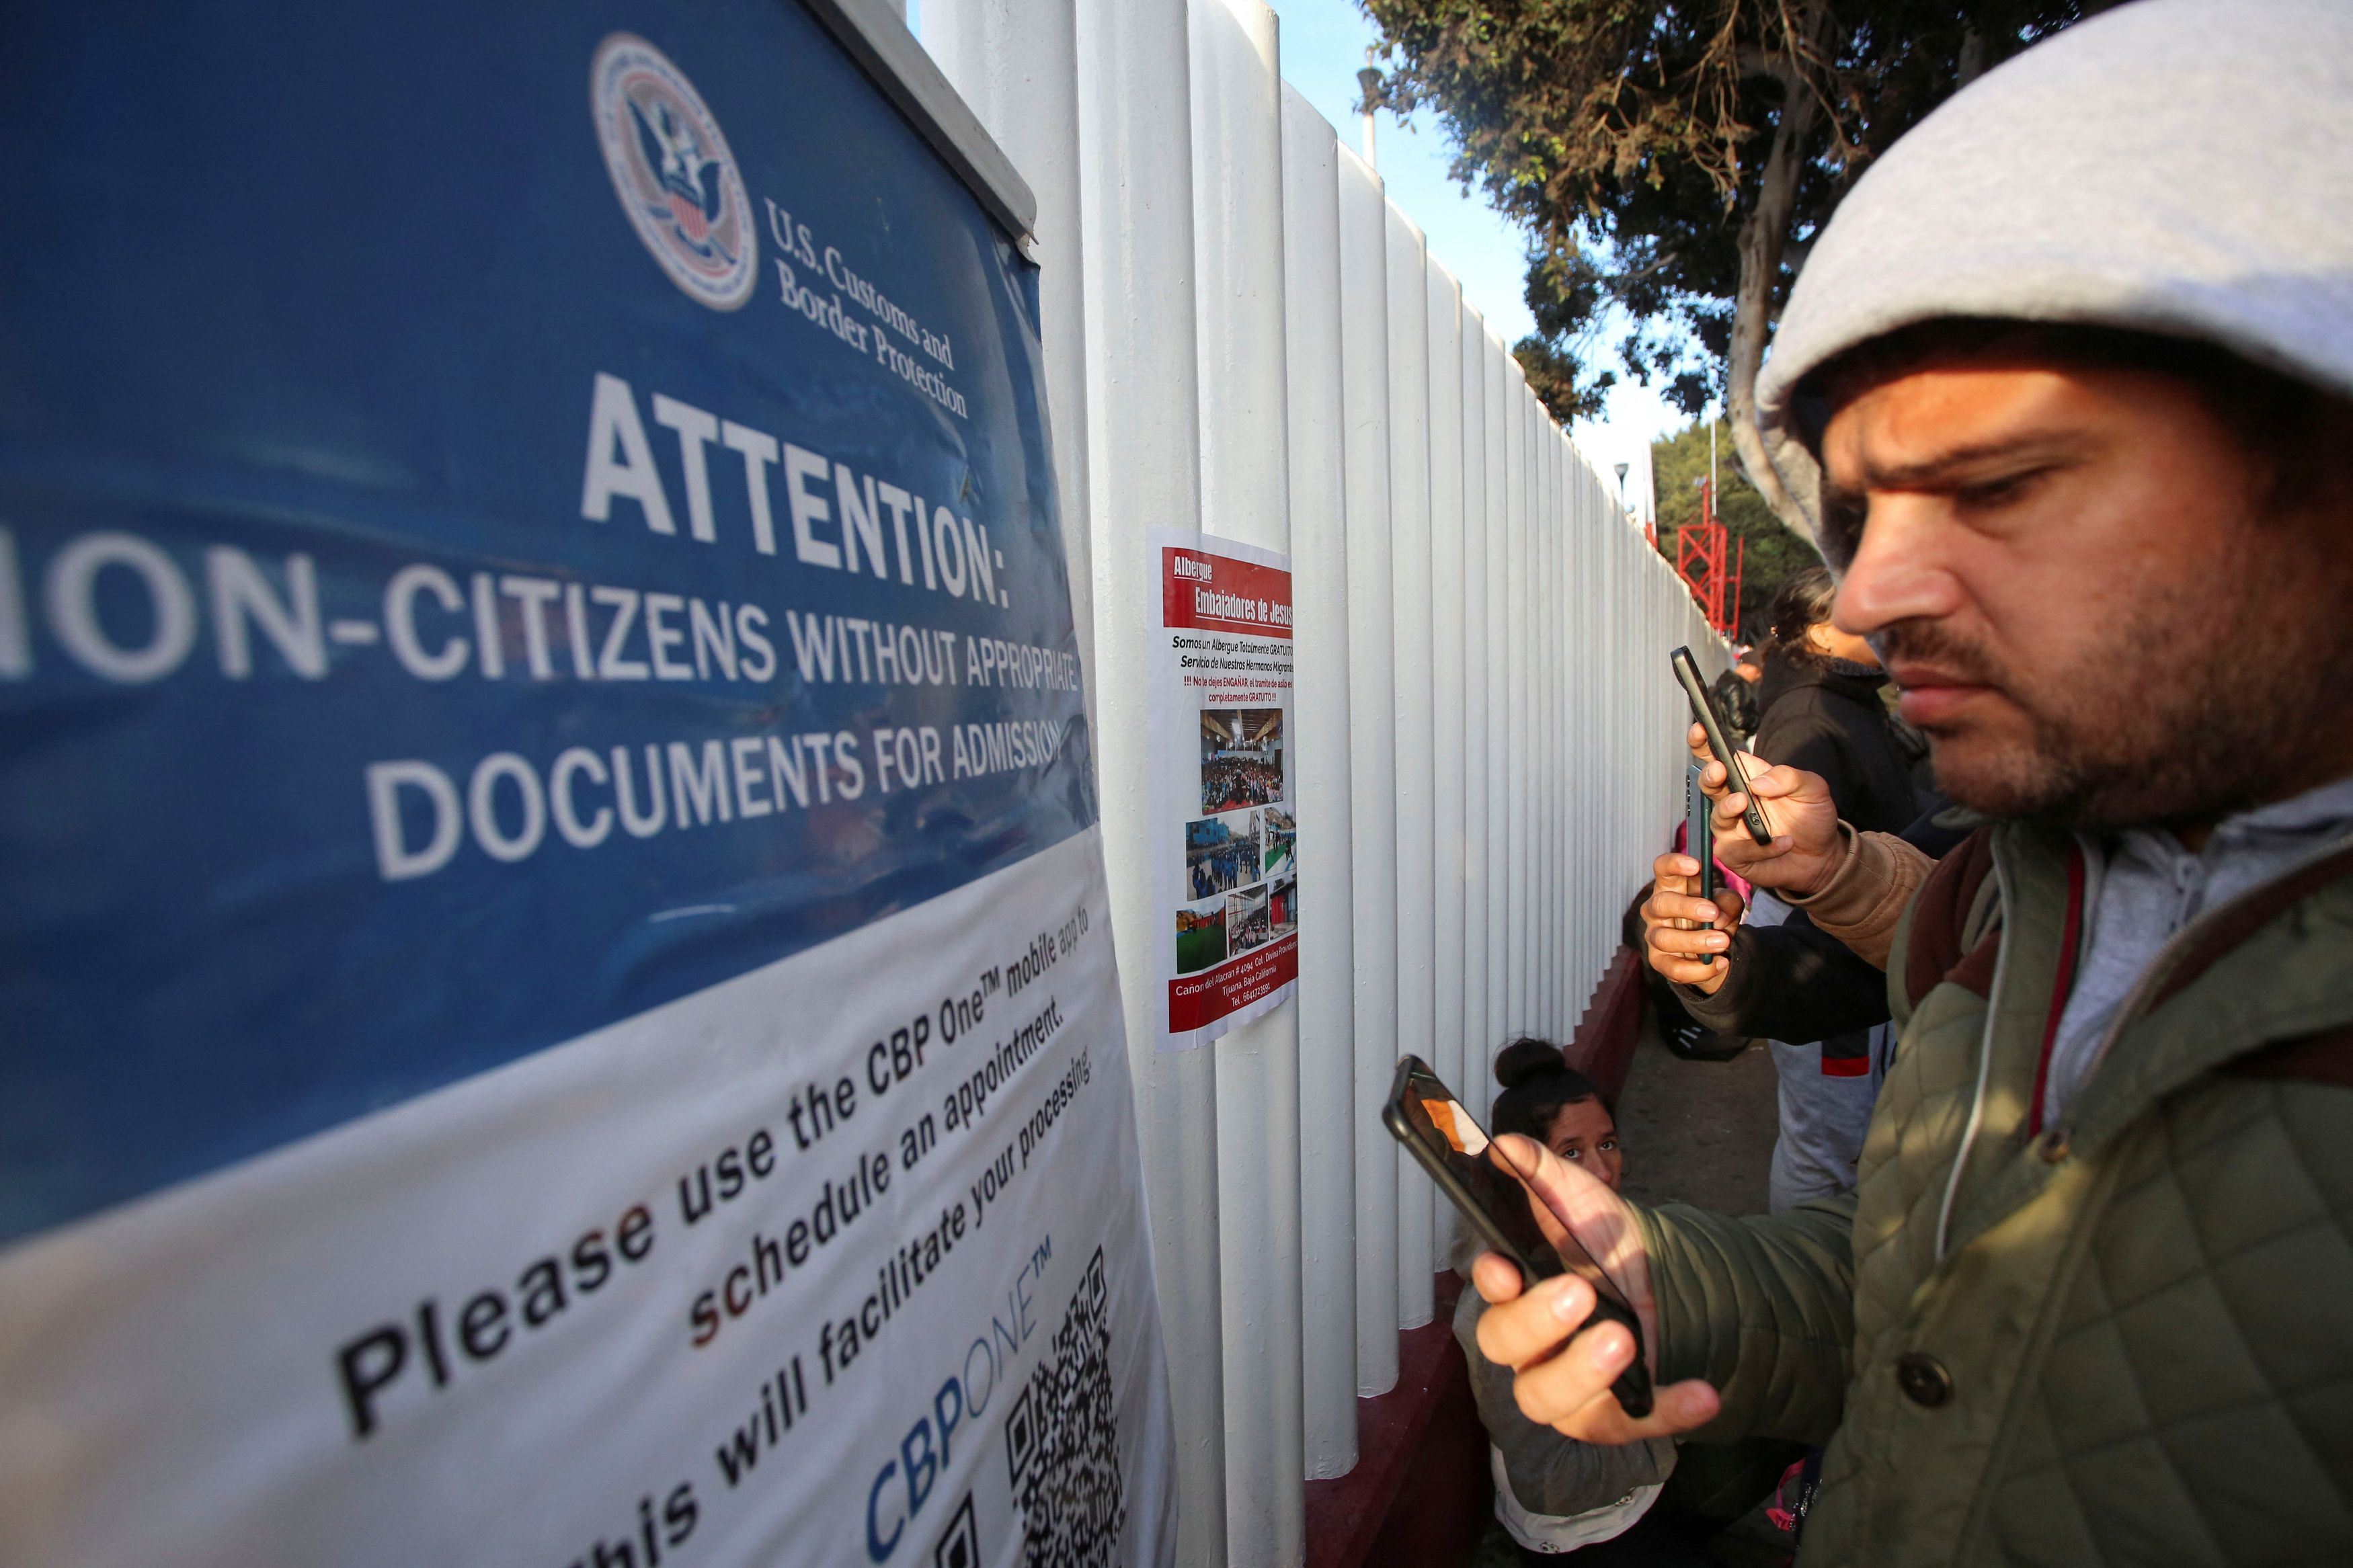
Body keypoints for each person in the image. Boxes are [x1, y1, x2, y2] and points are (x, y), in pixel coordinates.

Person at [1464, 5, 2353, 1564]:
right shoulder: (2040, 888)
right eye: (1861, 510)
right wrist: (1686, 1286)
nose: (1868, 597)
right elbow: (1942, 1309)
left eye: (2002, 481)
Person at [1449, 1040, 1712, 1565]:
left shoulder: (1615, 1242)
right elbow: (1552, 1485)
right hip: (1586, 1535)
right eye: (1571, 1152)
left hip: (1645, 1492)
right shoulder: (1502, 1305)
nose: (1602, 1170)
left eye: (1608, 1144)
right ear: (1524, 1172)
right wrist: (1668, 1436)